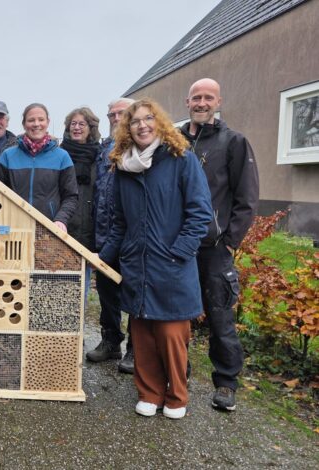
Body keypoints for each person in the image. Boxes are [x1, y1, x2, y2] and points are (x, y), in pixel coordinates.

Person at [100, 99, 212, 419]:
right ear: (127, 129)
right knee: (143, 333)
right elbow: (120, 222)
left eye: (148, 119)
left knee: (171, 334)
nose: (142, 125)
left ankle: (176, 396)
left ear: (159, 123)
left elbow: (199, 213)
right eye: (134, 121)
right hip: (137, 263)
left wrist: (179, 252)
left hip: (172, 264)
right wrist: (104, 257)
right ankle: (149, 392)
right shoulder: (123, 168)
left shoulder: (181, 160)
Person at [180, 78, 259, 412]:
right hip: (179, 246)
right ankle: (177, 372)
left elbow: (247, 198)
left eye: (208, 97)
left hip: (214, 247)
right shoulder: (176, 141)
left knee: (220, 316)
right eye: (196, 97)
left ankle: (226, 382)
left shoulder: (234, 142)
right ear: (188, 102)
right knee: (177, 315)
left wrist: (230, 243)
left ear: (218, 102)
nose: (201, 102)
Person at [89, 98, 136, 373]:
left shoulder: (142, 148)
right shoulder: (105, 149)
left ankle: (135, 349)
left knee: (132, 294)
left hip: (131, 237)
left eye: (121, 113)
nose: (116, 118)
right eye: (111, 114)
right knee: (107, 291)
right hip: (105, 233)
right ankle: (111, 341)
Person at [0, 103, 78, 230]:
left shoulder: (62, 157)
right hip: (14, 228)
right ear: (24, 124)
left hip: (49, 228)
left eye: (41, 119)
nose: (36, 124)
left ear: (48, 122)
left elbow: (70, 196)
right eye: (31, 120)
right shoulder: (7, 156)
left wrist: (61, 219)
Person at [61, 107, 101, 316]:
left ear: (90, 128)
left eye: (81, 124)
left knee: (82, 285)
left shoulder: (99, 157)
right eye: (73, 124)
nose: (76, 128)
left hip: (88, 227)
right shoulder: (59, 154)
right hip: (64, 224)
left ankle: (77, 334)